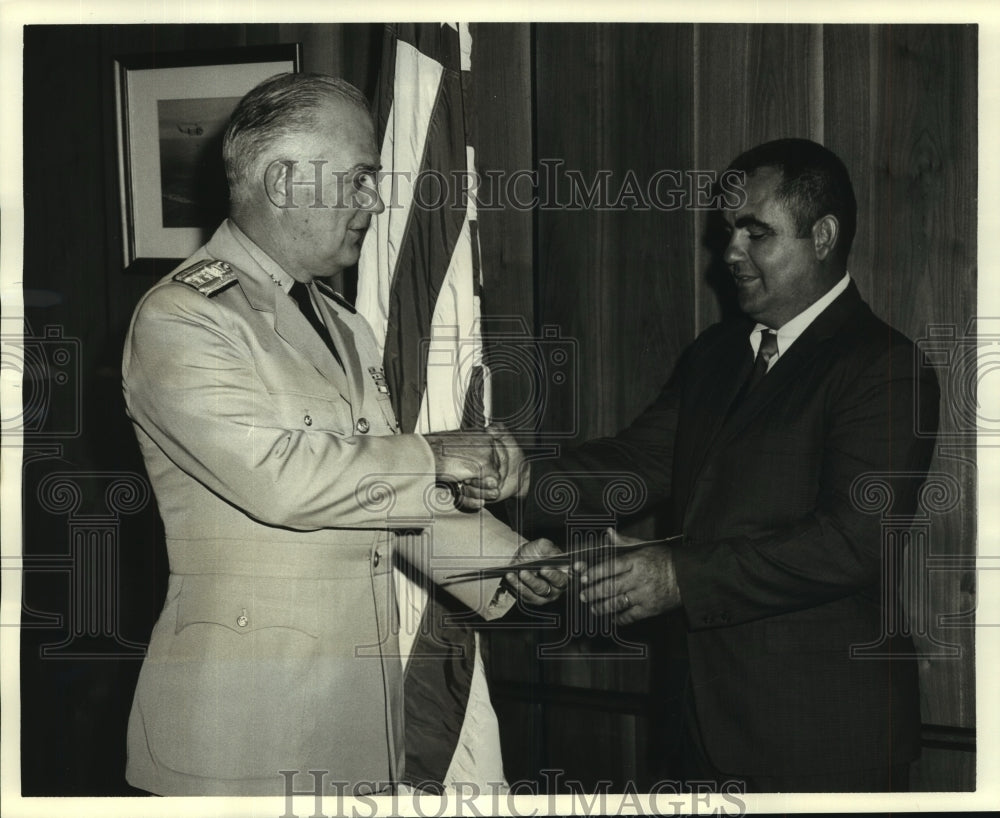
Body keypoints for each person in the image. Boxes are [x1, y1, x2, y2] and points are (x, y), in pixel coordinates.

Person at [121, 72, 566, 797]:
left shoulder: (342, 323)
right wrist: (440, 453)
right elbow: (284, 480)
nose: (375, 200)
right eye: (359, 179)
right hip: (241, 728)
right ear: (285, 180)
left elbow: (375, 493)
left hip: (359, 718)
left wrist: (508, 564)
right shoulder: (184, 317)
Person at [476, 138, 940, 792]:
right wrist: (525, 479)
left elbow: (853, 543)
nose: (731, 254)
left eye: (757, 233)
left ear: (824, 236)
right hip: (702, 732)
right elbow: (633, 465)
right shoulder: (716, 356)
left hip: (823, 744)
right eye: (730, 232)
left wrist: (680, 578)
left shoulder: (884, 367)